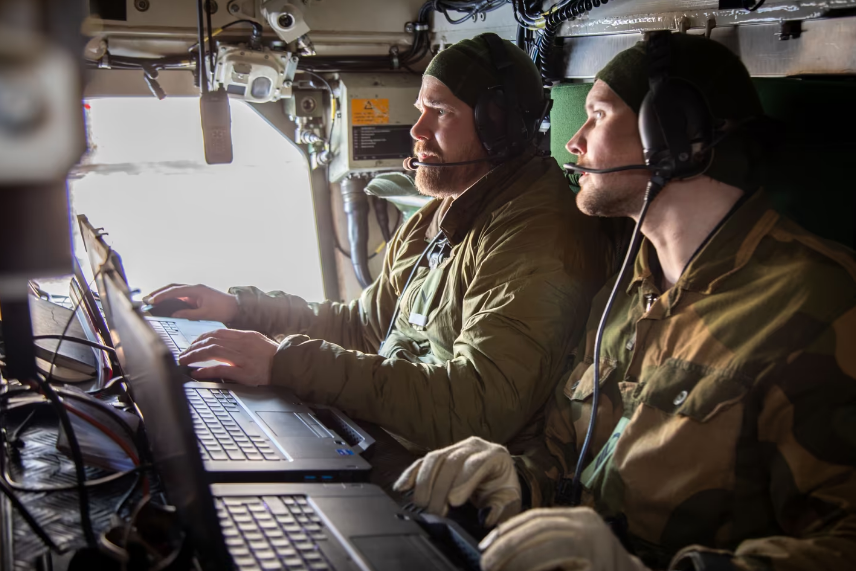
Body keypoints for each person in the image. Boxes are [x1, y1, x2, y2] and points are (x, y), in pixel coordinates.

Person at [393, 32, 856, 570]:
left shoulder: (816, 304)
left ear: (674, 136)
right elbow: (573, 459)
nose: (575, 141)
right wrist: (516, 481)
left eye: (598, 114)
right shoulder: (628, 285)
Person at [146, 34, 615, 485]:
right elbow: (365, 327)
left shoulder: (536, 234)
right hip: (390, 438)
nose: (417, 130)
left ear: (498, 128)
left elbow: (473, 406)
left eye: (440, 112)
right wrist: (241, 310)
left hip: (450, 475)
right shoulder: (442, 212)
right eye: (420, 110)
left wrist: (285, 364)